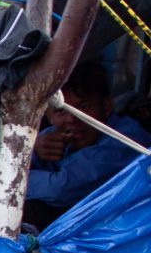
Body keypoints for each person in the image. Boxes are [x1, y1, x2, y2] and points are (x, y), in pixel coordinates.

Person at [27, 59, 151, 223]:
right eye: (60, 111)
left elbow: (61, 189)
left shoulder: (126, 139)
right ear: (48, 116)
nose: (71, 119)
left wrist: (19, 172)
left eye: (84, 107)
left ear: (106, 106)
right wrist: (32, 151)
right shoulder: (51, 136)